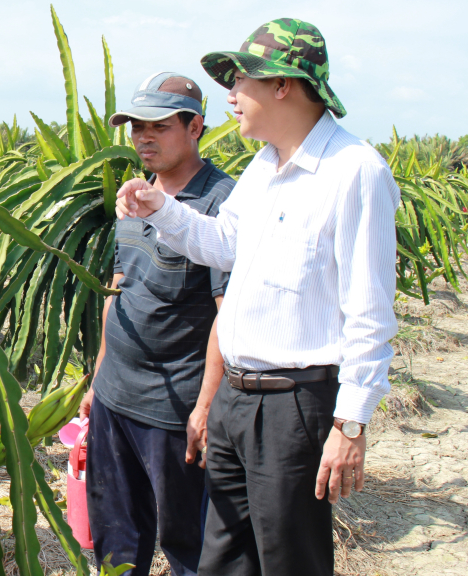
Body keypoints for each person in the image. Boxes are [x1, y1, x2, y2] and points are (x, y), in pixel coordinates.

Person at [115, 19, 400, 576]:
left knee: (289, 560)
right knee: (225, 558)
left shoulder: (354, 173)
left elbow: (369, 314)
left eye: (239, 81)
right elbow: (223, 244)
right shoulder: (263, 167)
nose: (230, 97)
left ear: (282, 85)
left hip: (295, 404)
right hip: (237, 400)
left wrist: (351, 426)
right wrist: (161, 208)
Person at [77, 72, 234, 576]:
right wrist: (97, 379)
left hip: (175, 408)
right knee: (117, 539)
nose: (144, 137)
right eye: (136, 126)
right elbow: (118, 288)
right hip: (115, 396)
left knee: (187, 542)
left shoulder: (221, 204)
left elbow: (226, 315)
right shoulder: (135, 195)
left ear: (196, 128)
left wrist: (206, 406)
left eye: (159, 126)